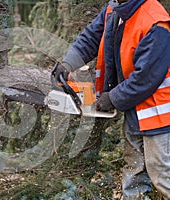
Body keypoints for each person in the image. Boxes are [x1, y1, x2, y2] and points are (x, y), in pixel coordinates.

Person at [55, 0, 170, 199]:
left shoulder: (155, 22)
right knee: (134, 168)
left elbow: (146, 77)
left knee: (161, 172)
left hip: (159, 113)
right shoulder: (115, 8)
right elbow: (92, 36)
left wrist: (114, 97)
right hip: (136, 108)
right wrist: (68, 63)